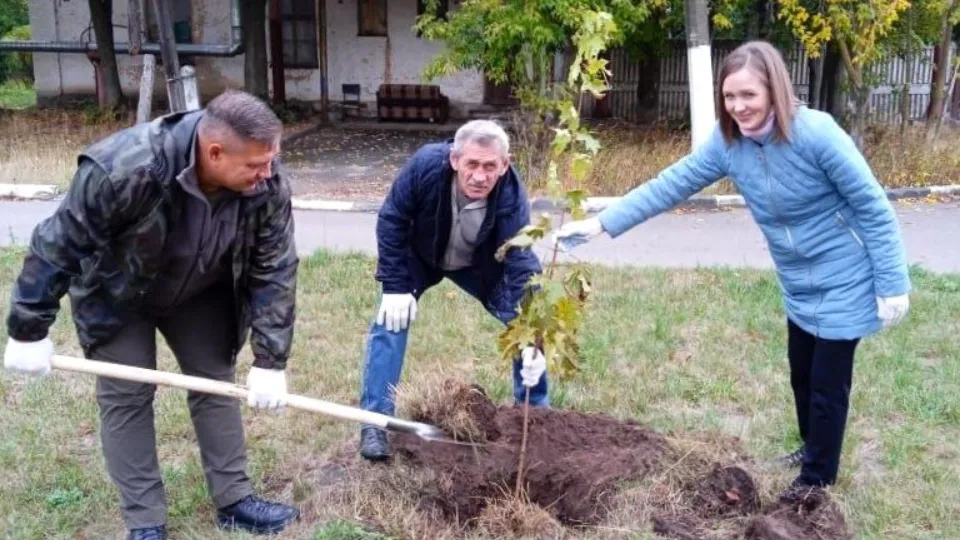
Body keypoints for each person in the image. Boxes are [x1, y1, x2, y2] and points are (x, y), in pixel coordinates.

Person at [553, 41, 911, 497]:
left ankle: (816, 480)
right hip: (797, 279)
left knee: (826, 384)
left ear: (774, 91)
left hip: (847, 274)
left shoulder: (817, 134)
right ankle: (811, 448)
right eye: (729, 96)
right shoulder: (729, 144)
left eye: (749, 95)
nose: (738, 106)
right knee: (802, 374)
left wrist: (893, 283)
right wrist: (602, 223)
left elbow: (873, 207)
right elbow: (669, 184)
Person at [3, 90, 301, 539]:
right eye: (256, 165)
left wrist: (270, 360)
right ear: (214, 153)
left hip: (201, 288)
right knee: (127, 394)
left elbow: (274, 267)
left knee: (215, 382)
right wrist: (28, 328)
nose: (267, 173)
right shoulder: (125, 168)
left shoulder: (266, 182)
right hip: (117, 291)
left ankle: (234, 500)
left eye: (270, 161)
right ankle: (145, 523)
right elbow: (58, 243)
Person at [358, 119, 547, 461]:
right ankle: (376, 423)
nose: (480, 176)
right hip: (421, 257)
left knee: (524, 322)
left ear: (505, 165)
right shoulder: (425, 166)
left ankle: (535, 417)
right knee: (390, 322)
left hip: (478, 264)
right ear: (454, 159)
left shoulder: (510, 194)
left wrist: (534, 336)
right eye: (472, 164)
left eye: (490, 166)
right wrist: (395, 286)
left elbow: (520, 257)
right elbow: (392, 219)